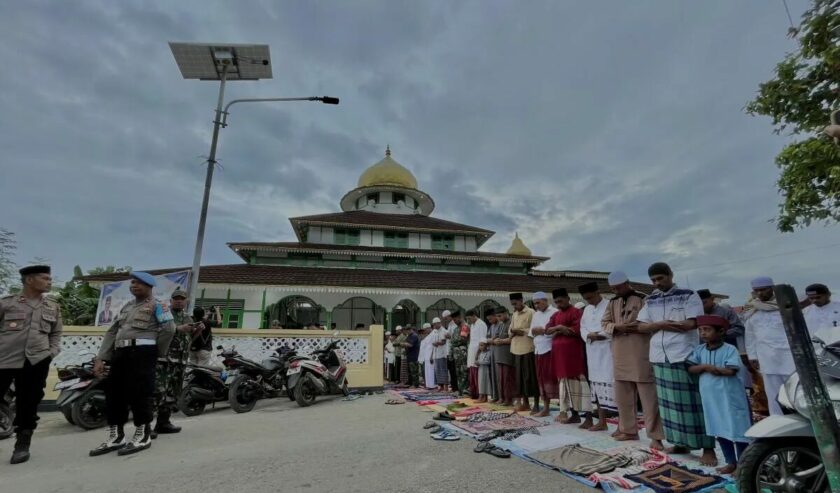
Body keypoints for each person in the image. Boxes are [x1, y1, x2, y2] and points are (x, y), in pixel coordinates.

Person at [637, 262, 716, 465]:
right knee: (669, 405)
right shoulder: (651, 299)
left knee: (695, 404)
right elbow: (641, 326)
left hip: (683, 354)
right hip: (659, 356)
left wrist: (659, 326)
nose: (657, 283)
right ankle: (680, 442)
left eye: (661, 278)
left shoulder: (688, 295)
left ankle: (708, 448)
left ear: (671, 275)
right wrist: (660, 324)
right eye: (654, 280)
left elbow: (692, 323)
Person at [90, 272, 175, 457]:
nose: (134, 285)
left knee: (140, 393)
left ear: (149, 286)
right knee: (114, 394)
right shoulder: (127, 306)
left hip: (142, 353)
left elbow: (169, 329)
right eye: (133, 282)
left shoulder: (158, 305)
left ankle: (142, 434)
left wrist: (154, 351)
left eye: (139, 283)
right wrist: (101, 358)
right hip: (120, 353)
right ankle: (116, 436)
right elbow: (112, 332)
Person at [0, 265, 62, 464]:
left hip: (36, 361)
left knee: (29, 403)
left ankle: (22, 444)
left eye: (49, 278)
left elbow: (56, 333)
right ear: (29, 280)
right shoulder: (7, 304)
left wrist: (51, 353)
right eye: (45, 278)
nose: (49, 281)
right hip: (5, 359)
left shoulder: (52, 306)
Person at [601, 271, 664, 449]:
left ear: (627, 283)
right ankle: (628, 430)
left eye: (618, 287)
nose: (616, 291)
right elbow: (604, 323)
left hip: (640, 352)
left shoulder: (644, 298)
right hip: (619, 352)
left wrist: (637, 327)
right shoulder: (612, 302)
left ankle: (656, 436)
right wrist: (617, 327)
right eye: (613, 288)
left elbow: (652, 322)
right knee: (623, 396)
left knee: (648, 398)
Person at [687, 315, 752, 475]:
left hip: (730, 398)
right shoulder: (700, 350)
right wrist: (706, 367)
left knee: (737, 430)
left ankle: (743, 465)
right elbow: (690, 367)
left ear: (721, 331)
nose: (703, 333)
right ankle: (731, 462)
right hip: (711, 399)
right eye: (701, 330)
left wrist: (711, 369)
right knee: (719, 428)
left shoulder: (730, 349)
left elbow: (731, 370)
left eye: (707, 330)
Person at [744, 276, 795, 416]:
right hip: (766, 358)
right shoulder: (752, 310)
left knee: (794, 391)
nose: (760, 293)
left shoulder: (785, 307)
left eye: (763, 289)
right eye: (757, 290)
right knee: (773, 393)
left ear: (772, 288)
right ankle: (778, 421)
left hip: (789, 357)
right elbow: (750, 336)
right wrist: (752, 356)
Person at [697, 288, 755, 402]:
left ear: (712, 299)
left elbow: (739, 329)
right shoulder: (697, 313)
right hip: (706, 355)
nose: (702, 307)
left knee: (733, 385)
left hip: (727, 353)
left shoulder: (725, 310)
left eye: (704, 303)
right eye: (699, 304)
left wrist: (718, 335)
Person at [151, 289, 192, 438]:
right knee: (157, 392)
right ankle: (145, 427)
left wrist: (197, 330)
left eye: (182, 299)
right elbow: (157, 331)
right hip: (164, 360)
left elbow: (189, 337)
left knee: (172, 393)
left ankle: (163, 423)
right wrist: (178, 328)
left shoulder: (187, 317)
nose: (179, 301)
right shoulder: (164, 315)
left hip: (180, 361)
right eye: (176, 299)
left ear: (186, 301)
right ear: (171, 300)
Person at [546, 288, 589, 425]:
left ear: (568, 298)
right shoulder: (556, 315)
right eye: (556, 302)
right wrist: (559, 328)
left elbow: (577, 330)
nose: (558, 304)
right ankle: (574, 414)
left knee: (580, 385)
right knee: (565, 386)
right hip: (559, 357)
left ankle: (588, 416)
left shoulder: (576, 312)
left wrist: (561, 328)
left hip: (573, 356)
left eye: (560, 301)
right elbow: (547, 329)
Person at [578, 281, 614, 432]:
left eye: (591, 297)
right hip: (592, 351)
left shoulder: (610, 305)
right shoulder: (587, 309)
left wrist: (601, 335)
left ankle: (617, 422)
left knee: (611, 384)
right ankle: (601, 421)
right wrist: (588, 335)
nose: (589, 301)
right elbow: (582, 327)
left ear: (598, 292)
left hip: (607, 349)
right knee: (596, 387)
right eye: (587, 299)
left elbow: (613, 325)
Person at [528, 291, 558, 417]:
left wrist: (543, 331)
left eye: (538, 303)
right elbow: (532, 332)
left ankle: (564, 409)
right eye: (534, 303)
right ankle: (545, 408)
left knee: (553, 379)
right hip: (538, 350)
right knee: (541, 380)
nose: (536, 306)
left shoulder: (555, 312)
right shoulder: (536, 315)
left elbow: (555, 331)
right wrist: (540, 331)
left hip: (550, 349)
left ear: (545, 300)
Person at [509, 293, 538, 412]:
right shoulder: (514, 314)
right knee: (520, 378)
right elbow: (510, 330)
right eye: (512, 304)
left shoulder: (531, 312)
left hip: (528, 348)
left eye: (515, 303)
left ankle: (536, 404)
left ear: (521, 300)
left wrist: (521, 331)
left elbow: (534, 329)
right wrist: (513, 331)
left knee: (530, 377)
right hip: (516, 349)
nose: (514, 306)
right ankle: (525, 403)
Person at [490, 306, 516, 406]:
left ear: (506, 313)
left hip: (507, 355)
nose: (499, 318)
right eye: (497, 316)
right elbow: (495, 336)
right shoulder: (501, 324)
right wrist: (494, 339)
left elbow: (511, 339)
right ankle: (502, 398)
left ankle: (509, 399)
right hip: (499, 355)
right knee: (500, 378)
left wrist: (500, 341)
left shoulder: (511, 323)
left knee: (507, 378)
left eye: (500, 316)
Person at [803, 283, 840, 348]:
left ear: (828, 295)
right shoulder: (805, 311)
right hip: (814, 351)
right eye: (811, 298)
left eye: (818, 297)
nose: (814, 300)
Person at [465, 310, 487, 399]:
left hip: (478, 352)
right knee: (472, 373)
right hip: (471, 351)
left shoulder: (481, 324)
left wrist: (478, 354)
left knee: (478, 375)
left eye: (469, 318)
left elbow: (482, 340)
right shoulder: (472, 325)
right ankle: (474, 393)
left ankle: (480, 395)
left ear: (474, 315)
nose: (468, 321)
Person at [447, 311, 470, 394]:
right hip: (456, 354)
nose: (455, 322)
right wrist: (450, 354)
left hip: (463, 354)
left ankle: (465, 391)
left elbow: (463, 339)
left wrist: (454, 341)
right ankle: (460, 390)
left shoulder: (465, 326)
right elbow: (452, 342)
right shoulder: (456, 329)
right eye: (453, 320)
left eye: (455, 320)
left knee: (464, 372)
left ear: (460, 317)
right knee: (458, 373)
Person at [430, 318, 449, 391]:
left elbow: (443, 342)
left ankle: (446, 386)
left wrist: (436, 343)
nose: (434, 326)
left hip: (442, 354)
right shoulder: (435, 331)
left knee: (443, 370)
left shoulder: (444, 331)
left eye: (435, 324)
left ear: (439, 323)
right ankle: (440, 386)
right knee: (437, 370)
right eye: (433, 325)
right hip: (436, 354)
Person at [484, 308, 499, 402]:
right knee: (493, 375)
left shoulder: (500, 325)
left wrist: (491, 340)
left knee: (499, 376)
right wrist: (491, 340)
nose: (490, 321)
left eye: (490, 319)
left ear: (494, 316)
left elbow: (496, 338)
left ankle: (502, 397)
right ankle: (495, 396)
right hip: (492, 353)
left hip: (499, 352)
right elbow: (488, 339)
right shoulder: (491, 326)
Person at [419, 323, 436, 389]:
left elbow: (433, 346)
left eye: (425, 330)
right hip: (426, 357)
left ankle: (433, 385)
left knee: (431, 371)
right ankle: (429, 385)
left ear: (428, 328)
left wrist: (432, 356)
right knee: (427, 372)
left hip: (431, 356)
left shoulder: (433, 334)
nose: (424, 331)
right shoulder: (428, 336)